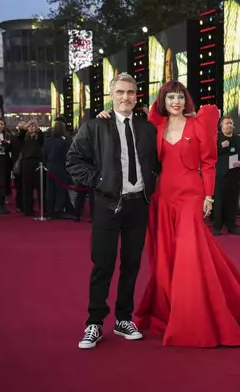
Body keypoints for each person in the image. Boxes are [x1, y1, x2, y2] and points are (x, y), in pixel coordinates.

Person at [96, 81, 240, 348]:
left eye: (180, 97)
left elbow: (209, 162)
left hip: (191, 197)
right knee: (167, 255)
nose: (176, 101)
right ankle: (170, 309)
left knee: (190, 254)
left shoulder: (197, 124)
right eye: (171, 97)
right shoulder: (154, 127)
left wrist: (208, 196)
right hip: (162, 197)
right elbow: (127, 130)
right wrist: (106, 113)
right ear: (164, 100)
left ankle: (195, 315)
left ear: (186, 100)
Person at [67, 73, 158, 349]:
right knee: (103, 265)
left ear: (136, 95)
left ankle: (123, 319)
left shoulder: (147, 128)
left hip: (138, 205)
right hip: (107, 205)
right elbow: (73, 160)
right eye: (120, 92)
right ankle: (94, 323)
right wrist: (99, 180)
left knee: (131, 265)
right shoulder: (96, 126)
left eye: (130, 92)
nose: (126, 97)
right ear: (111, 94)